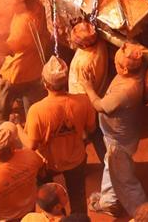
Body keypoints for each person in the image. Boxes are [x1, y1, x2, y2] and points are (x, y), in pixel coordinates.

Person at [81, 43, 148, 217]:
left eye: (117, 64)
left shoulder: (125, 91)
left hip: (118, 142)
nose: (114, 65)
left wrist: (88, 87)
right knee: (111, 166)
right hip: (123, 136)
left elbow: (100, 106)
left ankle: (143, 214)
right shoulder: (137, 69)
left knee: (124, 179)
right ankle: (108, 198)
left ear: (125, 70)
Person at [23, 56, 96, 216]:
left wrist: (17, 129)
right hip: (76, 159)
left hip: (47, 164)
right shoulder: (83, 101)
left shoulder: (37, 110)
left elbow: (31, 146)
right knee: (78, 198)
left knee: (49, 201)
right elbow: (91, 128)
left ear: (44, 83)